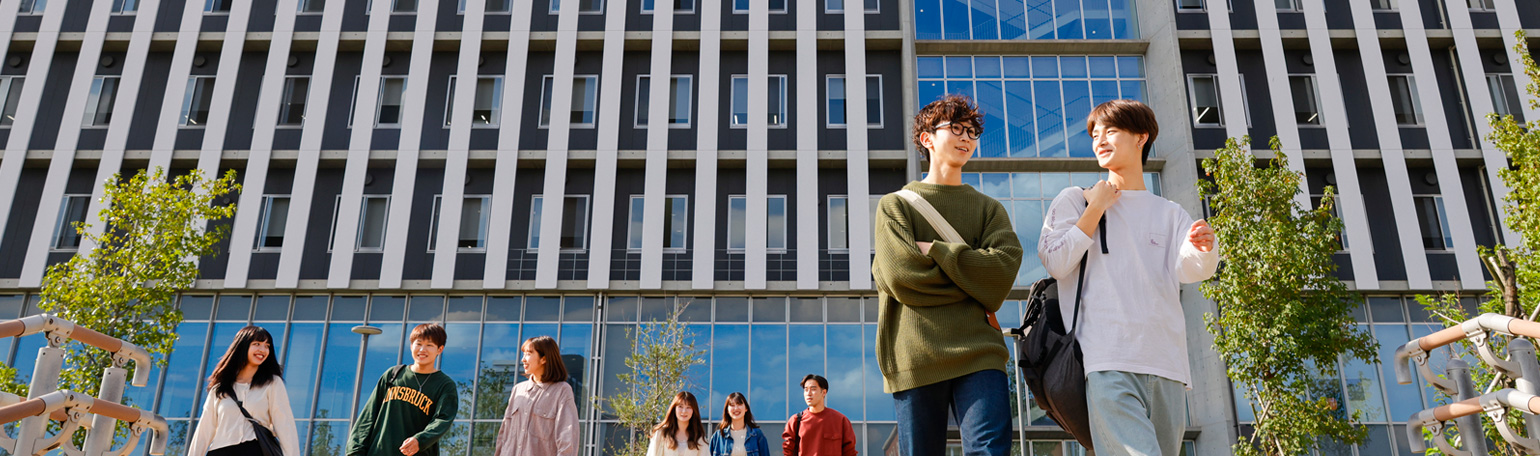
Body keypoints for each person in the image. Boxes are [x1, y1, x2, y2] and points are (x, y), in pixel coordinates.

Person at [1038, 99, 1218, 456]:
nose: (1099, 140)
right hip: (1107, 359)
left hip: (1166, 365)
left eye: (1111, 131)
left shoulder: (1170, 213)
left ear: (1141, 138)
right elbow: (1055, 262)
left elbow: (1191, 269)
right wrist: (1097, 208)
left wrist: (1204, 247)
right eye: (1095, 134)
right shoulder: (1077, 199)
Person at [871, 94, 1022, 456]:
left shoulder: (989, 209)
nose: (966, 137)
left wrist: (937, 251)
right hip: (916, 353)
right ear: (926, 139)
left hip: (981, 351)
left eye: (971, 131)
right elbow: (903, 277)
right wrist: (972, 280)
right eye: (955, 128)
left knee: (990, 451)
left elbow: (1001, 275)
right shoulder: (895, 205)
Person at [347, 324, 460, 456]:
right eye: (418, 344)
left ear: (439, 349)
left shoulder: (445, 385)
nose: (422, 349)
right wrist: (355, 451)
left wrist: (420, 440)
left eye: (429, 345)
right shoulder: (393, 375)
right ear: (411, 346)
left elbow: (442, 421)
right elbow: (368, 416)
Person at [188, 326, 301, 456]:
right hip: (220, 451)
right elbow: (204, 430)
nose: (263, 350)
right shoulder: (219, 389)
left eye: (267, 346)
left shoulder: (272, 383)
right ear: (243, 346)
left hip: (255, 449)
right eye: (257, 344)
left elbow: (285, 425)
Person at [493, 335, 580, 456]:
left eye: (528, 354)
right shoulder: (518, 390)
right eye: (523, 354)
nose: (523, 359)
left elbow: (567, 437)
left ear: (544, 358)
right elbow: (504, 433)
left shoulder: (561, 391)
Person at [781, 375, 857, 456]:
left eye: (813, 389)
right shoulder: (795, 421)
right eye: (806, 390)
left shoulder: (840, 420)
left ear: (824, 392)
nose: (808, 393)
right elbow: (788, 451)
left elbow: (850, 452)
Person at [647, 391, 709, 456]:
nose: (684, 411)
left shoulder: (698, 437)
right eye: (680, 407)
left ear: (693, 411)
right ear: (674, 409)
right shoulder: (661, 434)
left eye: (688, 407)